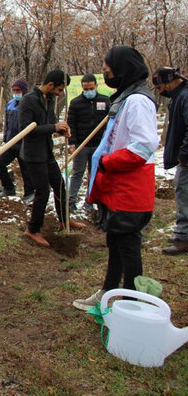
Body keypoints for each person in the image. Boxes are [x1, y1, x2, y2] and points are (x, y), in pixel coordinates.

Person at [73, 46, 159, 310]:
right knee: (116, 241)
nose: (105, 74)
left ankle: (132, 305)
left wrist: (107, 163)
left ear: (122, 69)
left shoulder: (138, 101)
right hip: (118, 186)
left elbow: (144, 146)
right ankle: (108, 292)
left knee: (128, 246)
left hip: (130, 188)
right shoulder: (126, 97)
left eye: (108, 69)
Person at [20, 70, 86, 248]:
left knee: (59, 186)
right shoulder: (29, 100)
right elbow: (26, 129)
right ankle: (33, 229)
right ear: (50, 85)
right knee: (43, 192)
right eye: (59, 90)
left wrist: (61, 129)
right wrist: (53, 127)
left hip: (47, 152)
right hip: (33, 155)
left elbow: (51, 123)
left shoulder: (49, 100)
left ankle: (64, 220)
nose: (60, 94)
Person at [153, 67, 188, 255]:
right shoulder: (180, 97)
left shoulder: (185, 97)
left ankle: (184, 238)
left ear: (169, 81)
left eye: (159, 86)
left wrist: (184, 154)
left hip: (187, 159)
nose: (160, 91)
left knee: (183, 194)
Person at [67, 74, 110, 211]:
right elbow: (71, 124)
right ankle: (71, 201)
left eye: (91, 88)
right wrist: (72, 142)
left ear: (96, 86)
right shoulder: (75, 103)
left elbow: (110, 124)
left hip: (99, 145)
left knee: (94, 174)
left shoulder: (105, 101)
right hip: (81, 144)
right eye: (86, 89)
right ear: (82, 88)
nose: (89, 91)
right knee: (77, 173)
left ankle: (89, 201)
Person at [0, 79, 35, 203]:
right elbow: (7, 123)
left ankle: (29, 193)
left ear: (24, 91)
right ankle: (8, 188)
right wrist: (6, 138)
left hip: (24, 144)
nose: (16, 93)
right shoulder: (10, 104)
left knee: (25, 170)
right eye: (14, 90)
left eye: (19, 90)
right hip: (11, 143)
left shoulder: (29, 104)